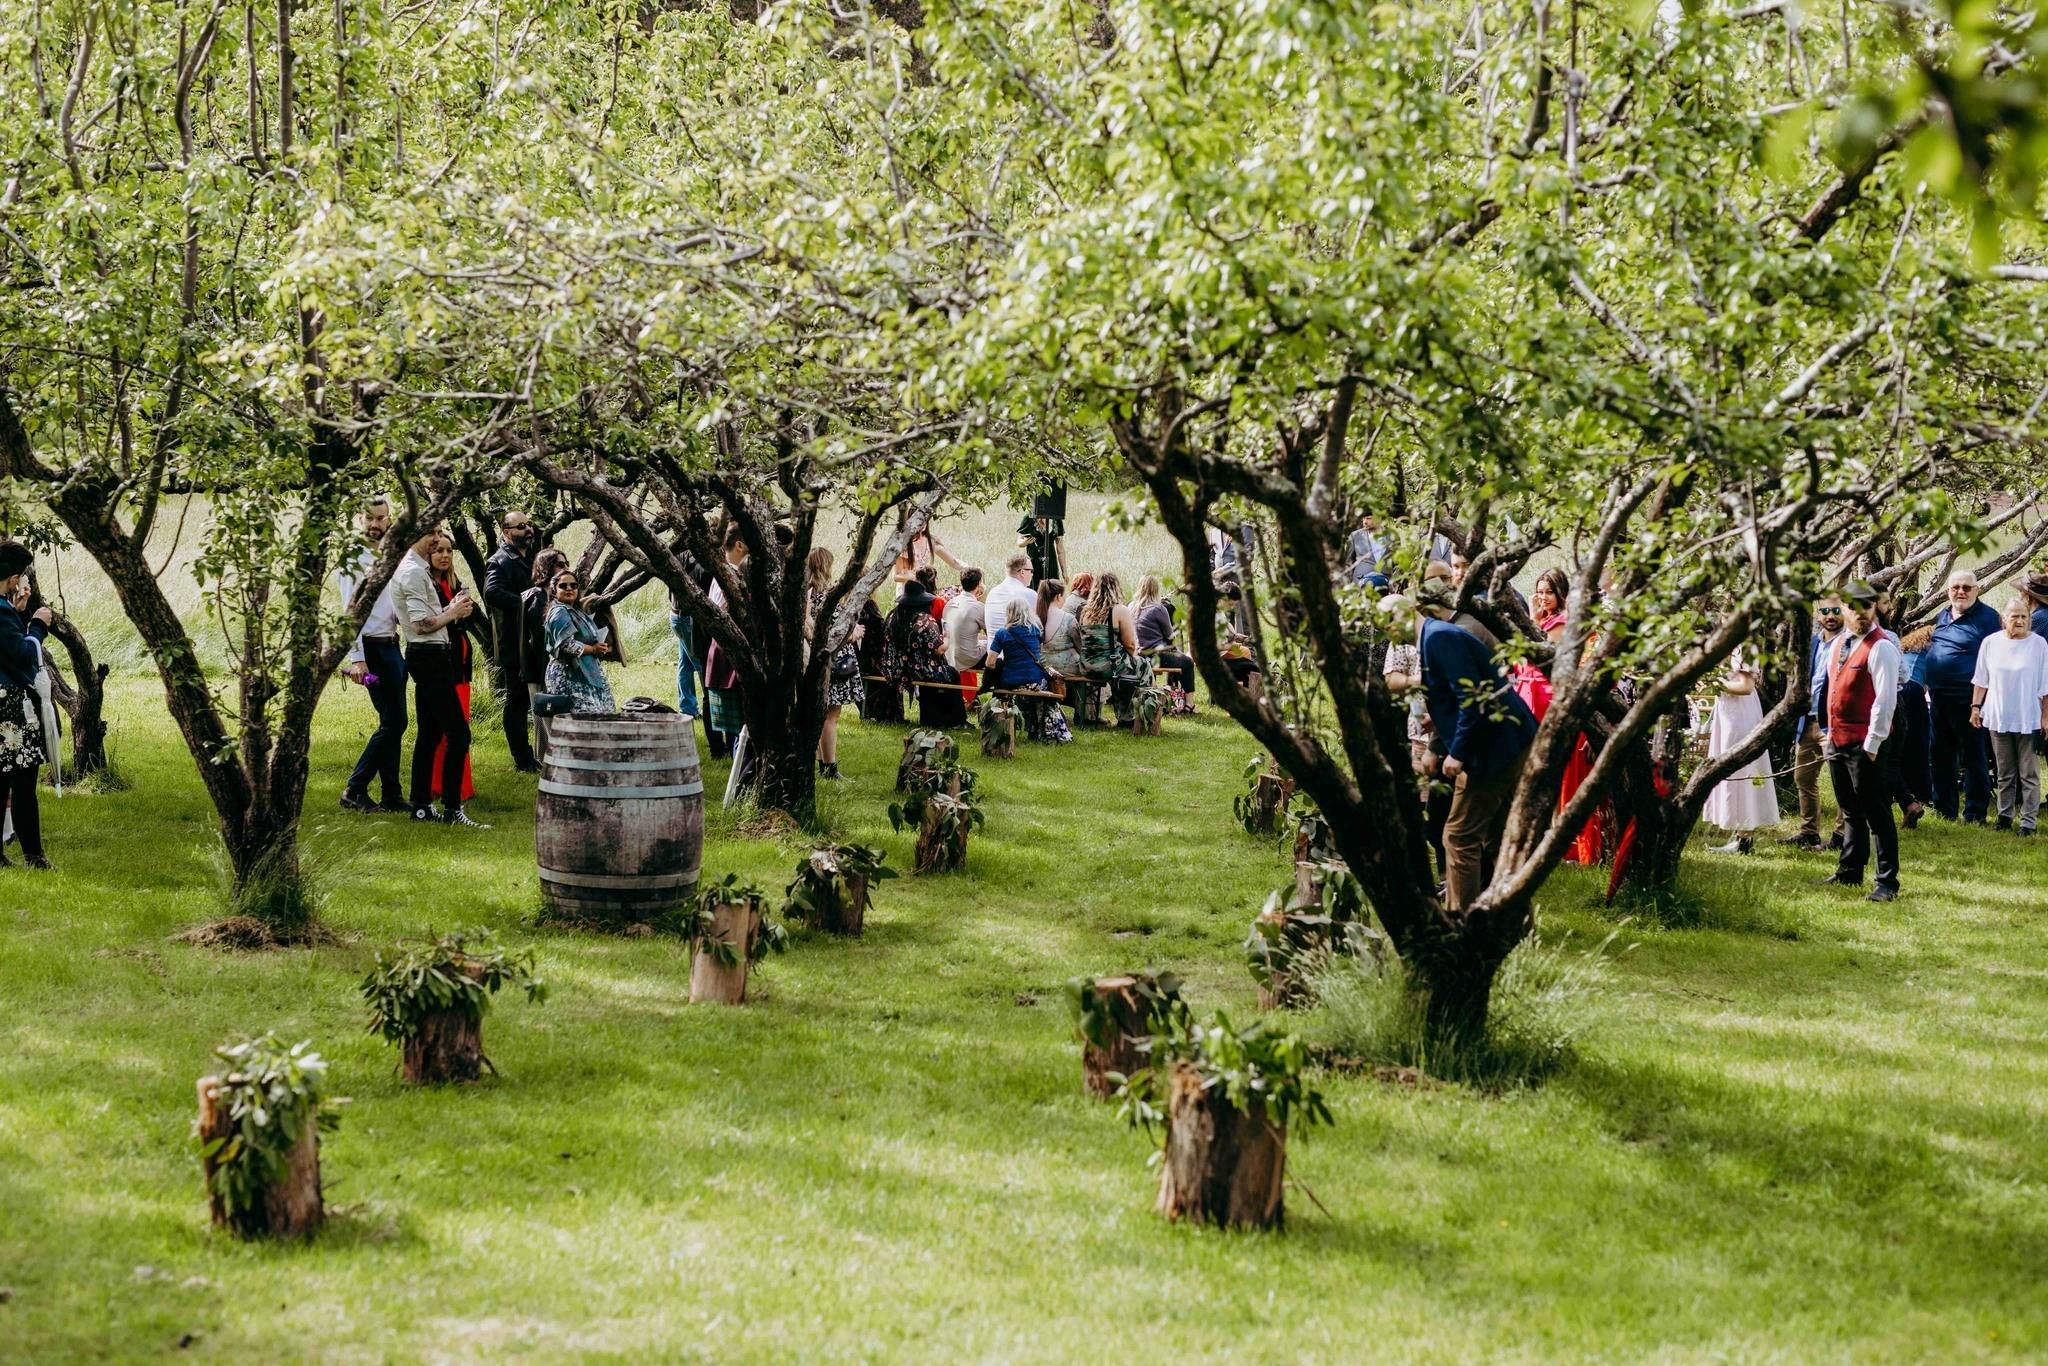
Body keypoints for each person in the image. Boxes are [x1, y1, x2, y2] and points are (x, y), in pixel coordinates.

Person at [1414, 579, 1538, 912]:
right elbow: (1457, 698)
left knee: (1458, 837)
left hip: (1493, 748)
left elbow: (1472, 699)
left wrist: (1457, 753)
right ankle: (1511, 919)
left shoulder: (1438, 637)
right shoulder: (1438, 634)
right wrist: (1438, 744)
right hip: (1509, 741)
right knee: (1498, 840)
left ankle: (1462, 921)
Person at [396, 531, 486, 828]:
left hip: (433, 655)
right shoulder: (412, 573)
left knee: (430, 735)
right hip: (428, 657)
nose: (437, 540)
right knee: (459, 734)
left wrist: (453, 611)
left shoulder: (418, 570)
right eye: (433, 533)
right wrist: (453, 612)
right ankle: (451, 808)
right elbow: (421, 625)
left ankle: (421, 806)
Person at [1821, 583, 1902, 902]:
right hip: (1837, 740)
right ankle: (1850, 870)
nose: (1860, 613)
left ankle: (1887, 882)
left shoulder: (1881, 647)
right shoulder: (1837, 644)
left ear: (1874, 609)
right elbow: (1831, 691)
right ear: (1843, 609)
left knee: (1877, 813)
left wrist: (1872, 744)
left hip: (1867, 743)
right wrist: (1828, 732)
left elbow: (1885, 700)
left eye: (1866, 607)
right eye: (1853, 607)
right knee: (1850, 809)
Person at [337, 497, 411, 814]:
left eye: (381, 518)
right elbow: (347, 612)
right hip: (370, 651)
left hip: (392, 646)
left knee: (391, 721)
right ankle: (355, 789)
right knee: (395, 722)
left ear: (389, 519)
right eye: (369, 518)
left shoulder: (392, 554)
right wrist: (356, 659)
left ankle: (392, 795)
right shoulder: (352, 558)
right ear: (359, 519)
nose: (375, 525)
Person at [1924, 569, 2000, 824]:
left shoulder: (1988, 618)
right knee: (1940, 755)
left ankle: (1975, 812)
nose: (1961, 592)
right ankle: (1944, 809)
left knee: (1973, 755)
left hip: (1970, 700)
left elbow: (1997, 659)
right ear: (1948, 591)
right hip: (1938, 697)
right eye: (1956, 587)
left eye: (1967, 587)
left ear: (1977, 590)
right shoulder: (1943, 614)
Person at [1970, 596, 2048, 833]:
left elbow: (2046, 686)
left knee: (2029, 773)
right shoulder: (1990, 643)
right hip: (1998, 715)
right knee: (2004, 772)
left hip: (2029, 717)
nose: (2020, 620)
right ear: (2004, 619)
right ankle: (2004, 817)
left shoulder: (2039, 645)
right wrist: (1975, 708)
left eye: (2024, 616)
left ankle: (2028, 822)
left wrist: (2045, 717)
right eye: (2014, 616)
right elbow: (1981, 679)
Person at [0, 542, 54, 868]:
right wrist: (37, 625)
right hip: (11, 708)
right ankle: (34, 857)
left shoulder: (4, 609)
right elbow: (21, 654)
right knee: (23, 782)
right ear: (13, 577)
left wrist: (17, 613)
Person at [1780, 595, 1846, 850]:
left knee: (1842, 781)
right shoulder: (1813, 643)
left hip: (1834, 722)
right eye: (1825, 611)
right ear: (1818, 615)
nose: (1830, 616)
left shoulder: (1848, 643)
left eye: (1836, 611)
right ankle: (1809, 831)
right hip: (1807, 721)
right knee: (1803, 778)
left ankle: (1841, 836)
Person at [1702, 650, 1780, 854]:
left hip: (1740, 715)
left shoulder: (1746, 646)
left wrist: (1715, 684)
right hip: (1729, 712)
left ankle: (1745, 840)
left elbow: (1746, 687)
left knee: (1741, 770)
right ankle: (1740, 836)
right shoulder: (1728, 643)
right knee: (1731, 769)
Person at [481, 509, 539, 772]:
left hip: (533, 640)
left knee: (532, 698)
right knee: (517, 700)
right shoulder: (500, 560)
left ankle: (538, 752)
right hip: (514, 641)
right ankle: (522, 759)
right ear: (506, 533)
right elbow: (492, 592)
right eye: (520, 527)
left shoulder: (531, 556)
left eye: (528, 525)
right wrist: (527, 604)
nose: (527, 530)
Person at [427, 536, 478, 806]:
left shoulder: (455, 583)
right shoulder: (429, 585)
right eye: (438, 551)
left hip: (461, 661)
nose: (444, 555)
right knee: (446, 728)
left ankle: (461, 785)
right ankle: (440, 785)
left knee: (461, 724)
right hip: (442, 660)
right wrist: (453, 612)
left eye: (448, 550)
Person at [807, 548, 863, 782]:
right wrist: (854, 632)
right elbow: (835, 632)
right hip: (836, 661)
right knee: (831, 716)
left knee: (821, 715)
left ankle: (822, 763)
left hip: (816, 659)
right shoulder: (826, 596)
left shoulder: (806, 594)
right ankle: (830, 767)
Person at [985, 597, 1073, 743]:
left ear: (1009, 613)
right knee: (1042, 697)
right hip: (1035, 680)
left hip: (1011, 681)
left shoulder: (1002, 633)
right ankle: (1046, 731)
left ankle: (1013, 728)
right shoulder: (1036, 630)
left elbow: (990, 663)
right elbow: (1038, 654)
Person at [890, 575, 964, 727]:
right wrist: (947, 636)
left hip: (898, 668)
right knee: (952, 674)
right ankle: (956, 719)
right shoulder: (925, 621)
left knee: (940, 675)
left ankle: (932, 716)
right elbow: (939, 650)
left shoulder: (893, 616)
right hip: (922, 669)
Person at [519, 548, 569, 766]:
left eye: (566, 563)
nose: (565, 568)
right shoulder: (534, 598)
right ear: (546, 568)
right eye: (560, 564)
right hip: (539, 668)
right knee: (544, 716)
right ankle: (548, 762)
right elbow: (534, 640)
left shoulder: (558, 596)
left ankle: (553, 761)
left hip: (555, 667)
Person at [544, 568, 619, 715]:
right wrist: (593, 649)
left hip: (585, 671)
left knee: (602, 715)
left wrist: (600, 647)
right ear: (554, 590)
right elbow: (567, 644)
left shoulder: (576, 610)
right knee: (581, 720)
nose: (569, 589)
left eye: (573, 585)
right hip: (568, 673)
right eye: (563, 586)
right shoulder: (559, 611)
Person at [701, 523, 748, 752]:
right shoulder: (728, 576)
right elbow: (718, 618)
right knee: (739, 725)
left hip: (728, 655)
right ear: (739, 544)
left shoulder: (727, 574)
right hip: (729, 656)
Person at [1076, 571, 1146, 718]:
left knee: (1123, 666)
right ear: (1116, 588)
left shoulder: (1084, 611)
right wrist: (1135, 658)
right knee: (1143, 666)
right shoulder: (1119, 610)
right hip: (1109, 667)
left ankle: (1091, 716)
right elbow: (1130, 644)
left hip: (1086, 666)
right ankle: (1131, 715)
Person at [1131, 575, 1197, 703]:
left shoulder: (1131, 606)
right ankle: (1189, 703)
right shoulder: (1159, 609)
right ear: (1156, 590)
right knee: (1187, 662)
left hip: (1136, 655)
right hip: (1156, 656)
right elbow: (1170, 635)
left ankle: (1173, 696)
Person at [890, 510, 964, 594]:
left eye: (925, 518)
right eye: (919, 520)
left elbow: (953, 562)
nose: (923, 522)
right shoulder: (904, 544)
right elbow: (896, 576)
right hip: (907, 591)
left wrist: (968, 569)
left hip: (925, 589)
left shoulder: (931, 540)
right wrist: (917, 577)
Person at [944, 567, 988, 705]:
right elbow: (992, 634)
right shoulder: (978, 607)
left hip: (948, 655)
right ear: (979, 584)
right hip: (967, 657)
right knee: (997, 647)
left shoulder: (950, 603)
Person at [855, 592, 900, 723]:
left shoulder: (851, 604)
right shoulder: (868, 605)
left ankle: (873, 711)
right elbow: (881, 631)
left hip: (858, 659)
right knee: (891, 673)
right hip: (868, 660)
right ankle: (885, 714)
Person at [1038, 578, 1082, 679]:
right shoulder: (1068, 619)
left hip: (1043, 668)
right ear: (1058, 596)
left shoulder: (1035, 617)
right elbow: (1080, 646)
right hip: (1066, 670)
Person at [984, 553, 1038, 636]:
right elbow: (1040, 626)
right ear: (1022, 572)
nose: (1032, 574)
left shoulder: (992, 592)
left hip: (993, 647)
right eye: (1031, 571)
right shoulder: (1029, 594)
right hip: (1017, 648)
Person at [1017, 509, 1064, 584]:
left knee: (1051, 589)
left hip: (1051, 560)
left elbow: (1060, 550)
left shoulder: (1056, 519)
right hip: (1034, 559)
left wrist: (1064, 571)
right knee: (1035, 588)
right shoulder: (1029, 517)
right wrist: (1025, 542)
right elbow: (1019, 542)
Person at [1530, 568, 1570, 641]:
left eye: (1549, 592)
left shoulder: (1561, 620)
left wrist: (1534, 619)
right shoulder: (1543, 615)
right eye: (1540, 592)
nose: (1543, 597)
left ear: (1560, 592)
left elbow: (1541, 648)